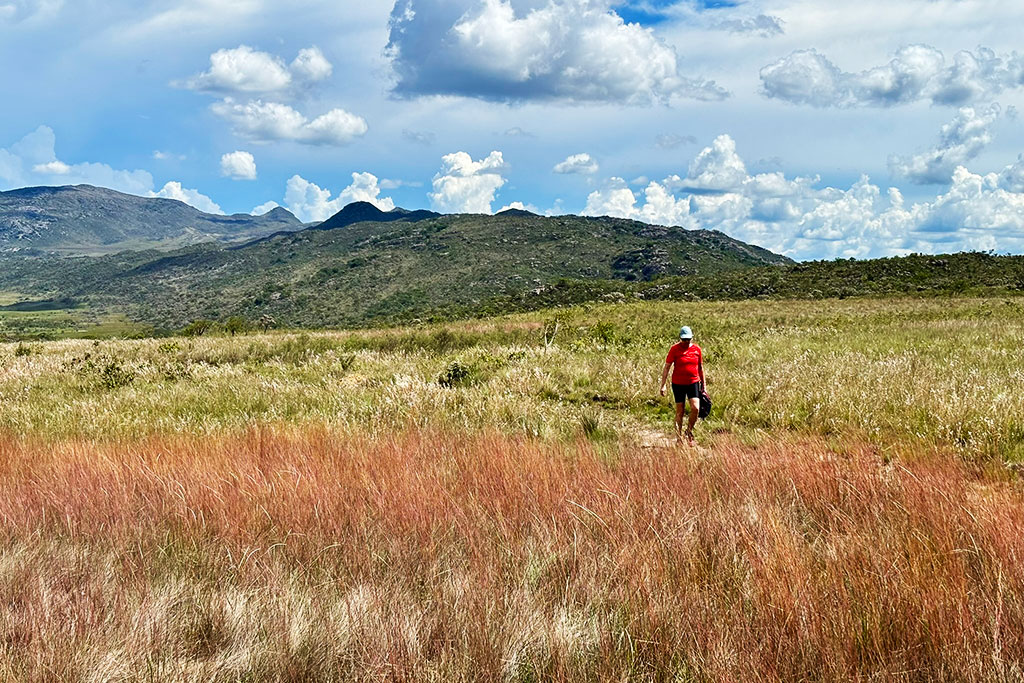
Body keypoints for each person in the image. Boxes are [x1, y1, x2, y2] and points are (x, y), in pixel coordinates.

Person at [659, 325, 706, 446]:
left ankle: (689, 431)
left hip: (693, 382)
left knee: (695, 408)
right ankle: (679, 438)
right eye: (684, 339)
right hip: (678, 384)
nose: (686, 342)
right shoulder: (674, 349)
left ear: (691, 338)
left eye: (688, 339)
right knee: (680, 411)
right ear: (680, 338)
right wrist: (663, 385)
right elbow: (667, 367)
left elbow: (700, 368)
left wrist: (703, 385)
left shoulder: (697, 349)